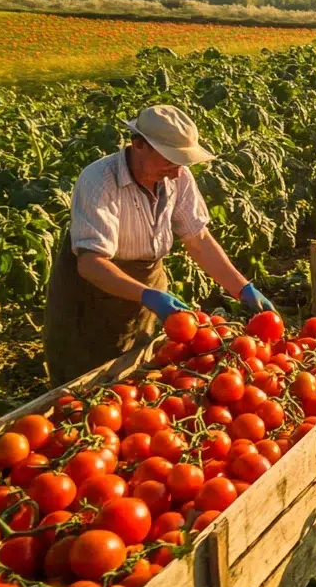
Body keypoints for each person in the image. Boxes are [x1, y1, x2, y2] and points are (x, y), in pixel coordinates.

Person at [43, 105, 275, 386]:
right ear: (138, 144)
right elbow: (91, 263)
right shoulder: (99, 181)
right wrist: (149, 296)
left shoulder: (177, 177)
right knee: (83, 387)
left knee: (139, 376)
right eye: (170, 160)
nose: (176, 173)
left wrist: (242, 288)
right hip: (90, 299)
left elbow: (198, 240)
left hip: (145, 291)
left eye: (181, 162)